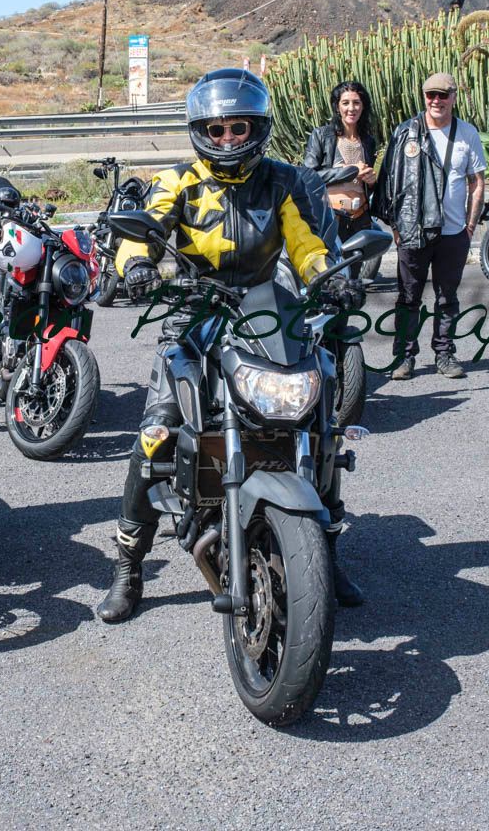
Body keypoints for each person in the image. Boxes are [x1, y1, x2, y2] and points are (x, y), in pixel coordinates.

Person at [95, 68, 363, 624]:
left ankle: (323, 548)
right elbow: (140, 229)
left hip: (265, 307)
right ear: (199, 131)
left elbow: (306, 243)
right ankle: (128, 565)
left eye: (238, 128)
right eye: (215, 131)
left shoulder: (282, 181)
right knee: (155, 434)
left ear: (257, 127)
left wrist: (327, 275)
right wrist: (138, 266)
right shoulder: (179, 180)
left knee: (319, 415)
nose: (227, 141)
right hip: (192, 310)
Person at [373, 72, 487, 380]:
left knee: (446, 297)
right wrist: (395, 226)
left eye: (442, 95)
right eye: (430, 95)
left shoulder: (467, 133)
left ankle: (445, 354)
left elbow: (477, 182)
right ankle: (404, 357)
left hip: (453, 233)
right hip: (412, 231)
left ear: (453, 97)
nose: (436, 101)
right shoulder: (405, 132)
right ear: (423, 97)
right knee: (408, 297)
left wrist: (470, 225)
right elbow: (389, 181)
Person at [303, 79, 380, 272]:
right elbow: (308, 176)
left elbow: (364, 183)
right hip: (331, 218)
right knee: (329, 274)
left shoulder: (368, 141)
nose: (351, 108)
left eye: (356, 103)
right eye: (345, 103)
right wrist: (349, 171)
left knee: (353, 277)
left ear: (363, 106)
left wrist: (371, 181)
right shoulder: (322, 136)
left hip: (359, 218)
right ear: (337, 107)